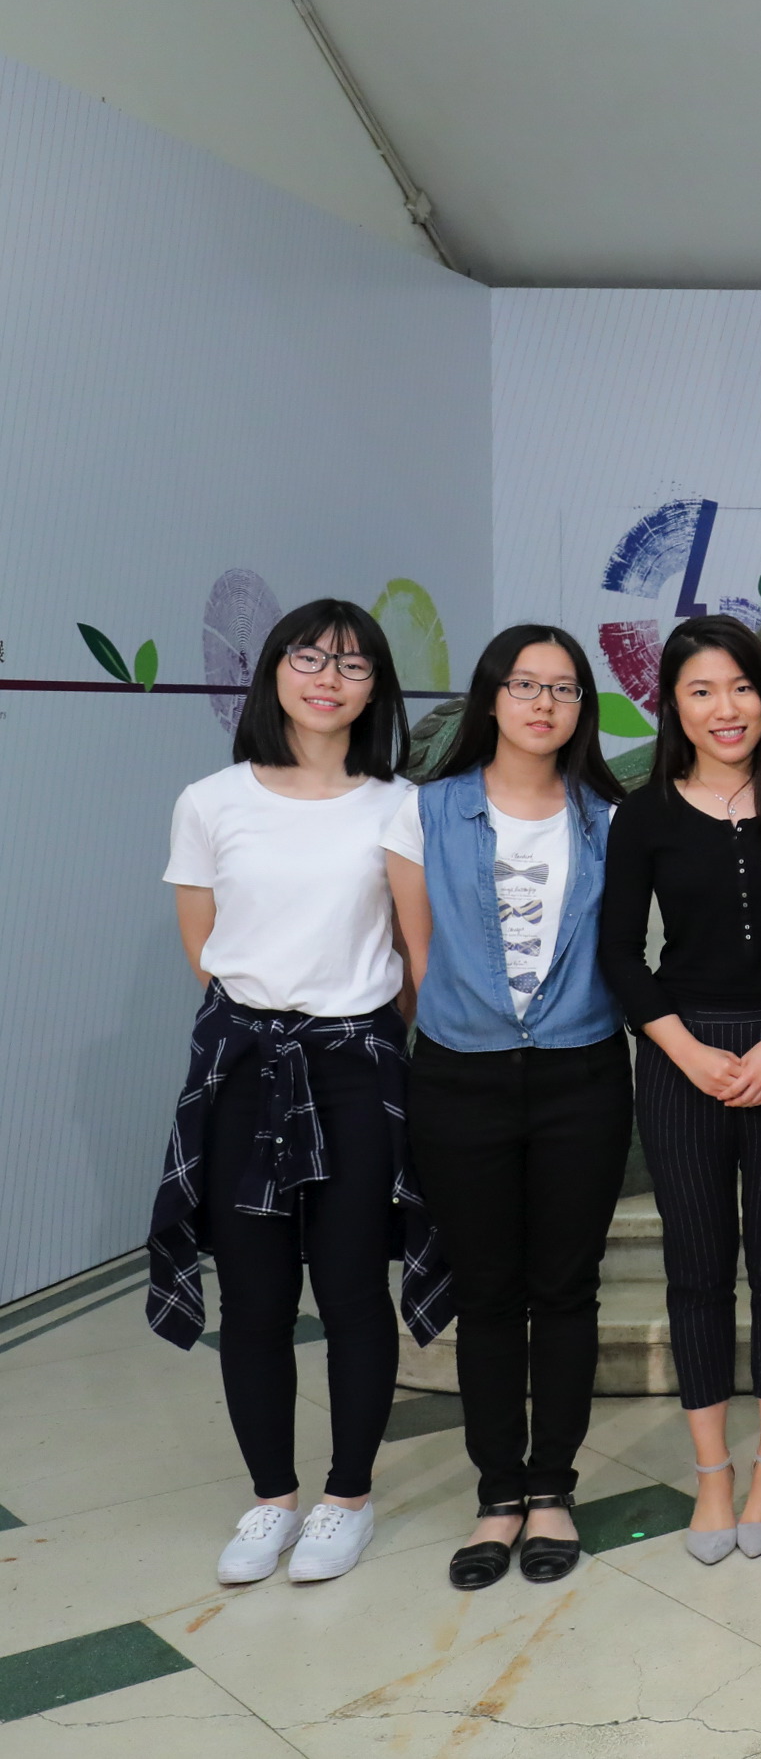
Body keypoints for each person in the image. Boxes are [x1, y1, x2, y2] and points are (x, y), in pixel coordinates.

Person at [150, 600, 442, 1587]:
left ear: (376, 689)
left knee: (353, 1290)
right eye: (310, 658)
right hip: (244, 1071)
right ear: (274, 670)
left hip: (357, 1069)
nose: (328, 678)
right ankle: (271, 1496)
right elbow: (205, 951)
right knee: (256, 1297)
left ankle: (346, 1498)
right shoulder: (210, 801)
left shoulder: (398, 804)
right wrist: (271, 1027)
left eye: (353, 666)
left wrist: (359, 1034)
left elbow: (412, 953)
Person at [385, 625, 631, 1591]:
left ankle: (552, 1487)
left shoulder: (609, 817)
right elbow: (416, 959)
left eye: (564, 688)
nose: (543, 703)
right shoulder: (424, 810)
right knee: (487, 1293)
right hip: (461, 1077)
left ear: (582, 709)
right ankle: (497, 1493)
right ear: (491, 696)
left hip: (583, 1074)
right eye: (526, 684)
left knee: (566, 1288)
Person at [601, 615, 761, 1564]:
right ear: (673, 706)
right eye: (700, 690)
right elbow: (619, 952)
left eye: (740, 687)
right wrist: (685, 1051)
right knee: (696, 1271)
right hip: (680, 1059)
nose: (724, 707)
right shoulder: (643, 814)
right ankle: (713, 1475)